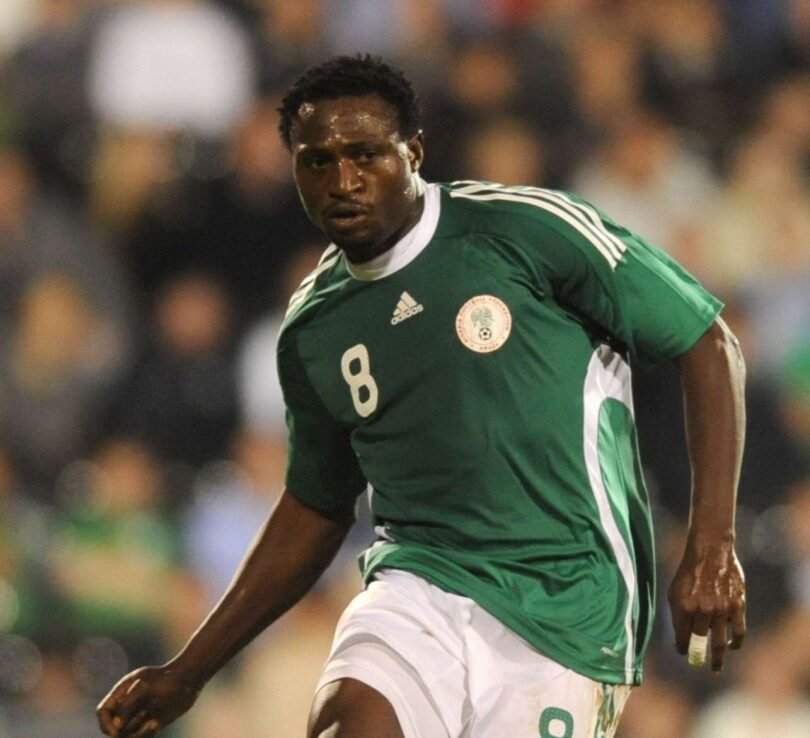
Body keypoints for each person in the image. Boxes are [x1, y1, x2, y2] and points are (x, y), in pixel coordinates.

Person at [96, 54, 747, 738]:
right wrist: (190, 669)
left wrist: (711, 544)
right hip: (418, 585)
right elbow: (317, 505)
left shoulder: (522, 231)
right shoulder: (315, 328)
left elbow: (706, 343)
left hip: (567, 601)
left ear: (414, 152)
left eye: (365, 155)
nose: (342, 181)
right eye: (316, 161)